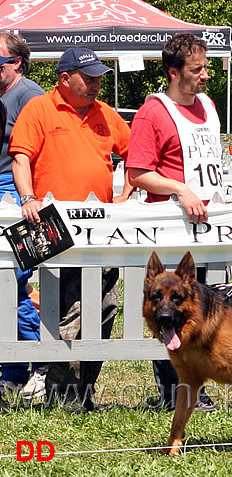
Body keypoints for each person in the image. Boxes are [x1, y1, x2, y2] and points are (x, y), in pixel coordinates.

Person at [10, 47, 133, 411]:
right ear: (65, 79)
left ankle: (81, 390)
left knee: (105, 307)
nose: (96, 84)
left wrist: (127, 194)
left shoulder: (106, 114)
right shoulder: (39, 109)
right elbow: (21, 158)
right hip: (53, 230)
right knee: (64, 309)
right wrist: (28, 197)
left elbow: (135, 156)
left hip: (100, 231)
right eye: (89, 77)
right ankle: (57, 389)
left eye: (98, 78)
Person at [127, 32, 223, 410]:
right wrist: (180, 189)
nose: (205, 75)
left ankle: (205, 380)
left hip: (211, 224)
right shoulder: (153, 112)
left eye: (205, 67)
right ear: (173, 72)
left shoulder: (209, 105)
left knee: (208, 308)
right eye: (197, 69)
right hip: (169, 225)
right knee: (168, 311)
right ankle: (174, 390)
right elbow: (137, 172)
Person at [0, 33, 46, 402]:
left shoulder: (30, 96)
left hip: (14, 195)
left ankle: (22, 368)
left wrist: (27, 196)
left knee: (14, 279)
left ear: (16, 62)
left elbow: (30, 154)